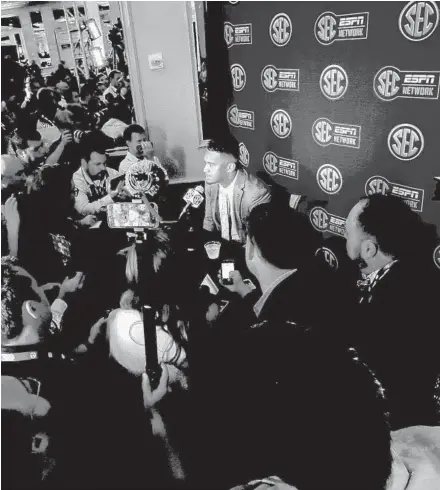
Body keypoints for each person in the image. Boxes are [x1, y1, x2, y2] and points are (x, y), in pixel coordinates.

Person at [344, 193, 440, 429]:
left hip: (400, 428)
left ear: (368, 249)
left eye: (347, 233)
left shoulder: (400, 298)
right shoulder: (411, 272)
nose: (342, 237)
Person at [203, 135, 271, 244]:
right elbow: (209, 220)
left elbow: (259, 239)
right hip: (220, 245)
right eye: (205, 163)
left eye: (211, 165)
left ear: (230, 167)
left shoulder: (257, 192)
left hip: (246, 249)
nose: (205, 169)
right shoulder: (211, 183)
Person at [72, 130, 125, 220]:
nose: (103, 168)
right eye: (97, 164)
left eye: (104, 163)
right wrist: (110, 198)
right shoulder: (76, 179)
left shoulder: (113, 173)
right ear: (84, 163)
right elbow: (83, 209)